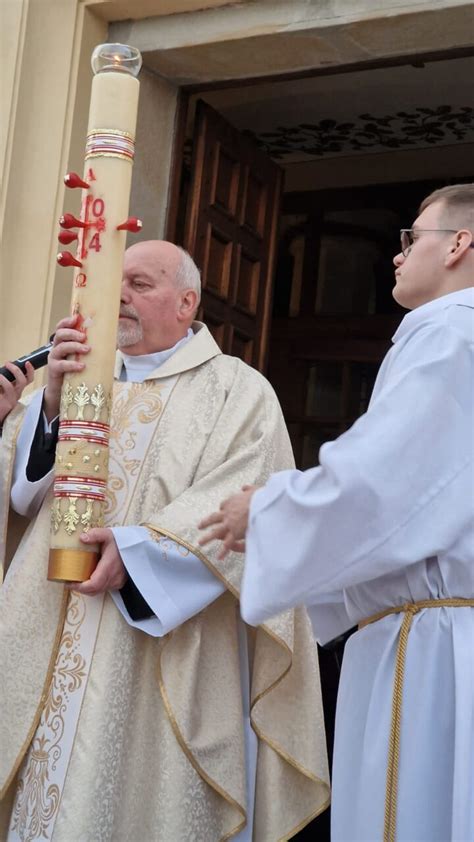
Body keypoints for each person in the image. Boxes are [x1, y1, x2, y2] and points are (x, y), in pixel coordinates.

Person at [0, 241, 329, 841]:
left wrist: (143, 550)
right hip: (47, 626)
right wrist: (43, 404)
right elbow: (21, 503)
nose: (117, 294)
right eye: (112, 282)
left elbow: (246, 496)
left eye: (139, 283)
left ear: (186, 303)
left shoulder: (237, 390)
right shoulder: (73, 378)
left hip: (158, 648)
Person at [199, 184, 474, 842]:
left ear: (461, 244)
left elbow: (387, 481)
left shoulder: (450, 330)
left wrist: (268, 511)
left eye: (411, 238)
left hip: (431, 647)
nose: (396, 257)